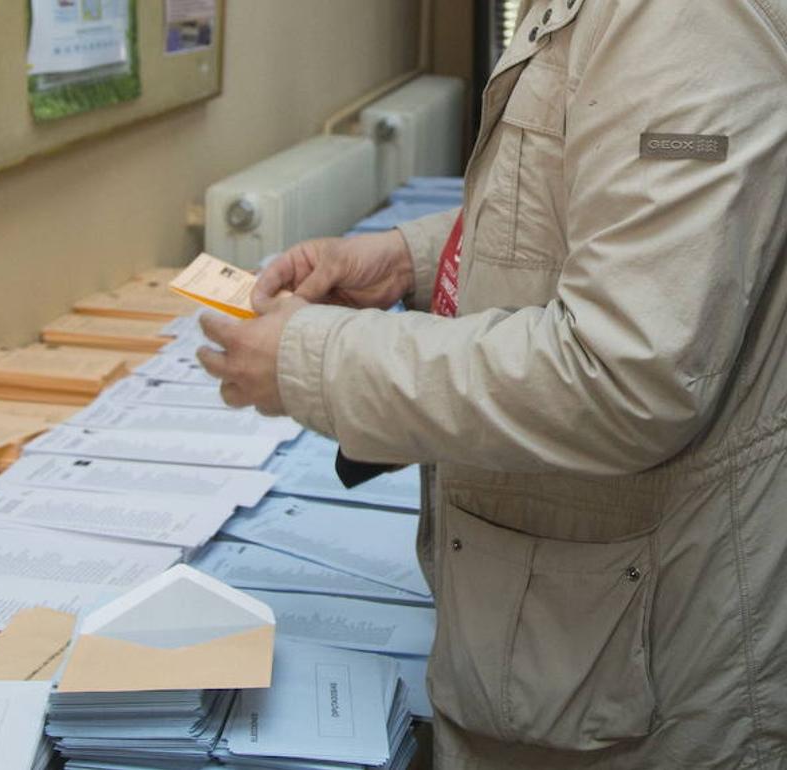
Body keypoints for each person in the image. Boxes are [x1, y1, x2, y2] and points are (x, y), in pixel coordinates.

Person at [196, 1, 787, 767]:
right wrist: (409, 259)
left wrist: (313, 361)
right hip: (563, 647)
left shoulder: (682, 19)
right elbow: (593, 216)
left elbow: (625, 376)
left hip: (638, 676)